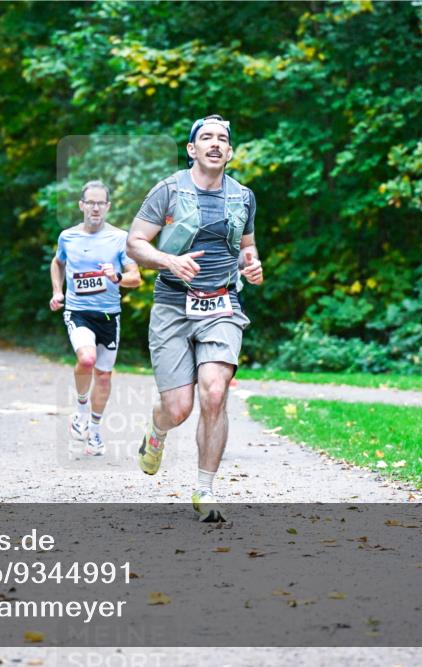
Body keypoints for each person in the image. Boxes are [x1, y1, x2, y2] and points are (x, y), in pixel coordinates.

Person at [126, 115, 264, 522]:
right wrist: (169, 260)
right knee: (179, 407)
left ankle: (204, 490)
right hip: (172, 305)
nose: (216, 144)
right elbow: (135, 243)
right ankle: (157, 430)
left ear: (231, 151)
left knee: (215, 392)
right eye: (207, 138)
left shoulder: (243, 197)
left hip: (222, 304)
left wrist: (252, 265)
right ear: (192, 149)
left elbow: (247, 248)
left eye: (223, 139)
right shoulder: (168, 191)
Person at [50, 180, 141, 456]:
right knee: (86, 359)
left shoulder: (120, 238)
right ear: (81, 205)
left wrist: (116, 277)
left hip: (109, 316)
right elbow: (58, 262)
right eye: (90, 202)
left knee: (103, 376)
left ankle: (95, 432)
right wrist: (57, 291)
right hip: (78, 312)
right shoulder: (68, 237)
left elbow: (136, 278)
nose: (95, 208)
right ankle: (79, 411)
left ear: (108, 207)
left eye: (101, 203)